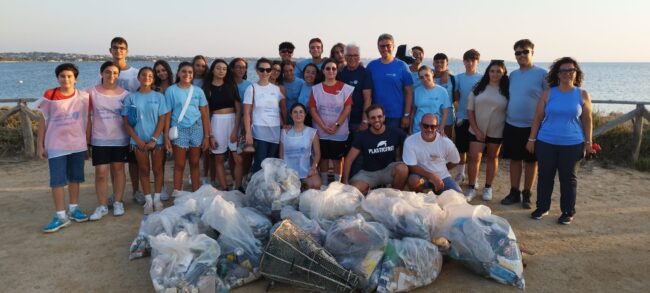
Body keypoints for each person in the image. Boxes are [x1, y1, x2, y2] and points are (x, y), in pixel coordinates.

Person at [527, 57, 594, 224]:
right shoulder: (548, 93)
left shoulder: (582, 94)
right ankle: (542, 208)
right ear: (557, 74)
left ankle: (567, 212)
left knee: (568, 179)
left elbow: (587, 120)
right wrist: (531, 139)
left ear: (576, 73)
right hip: (546, 142)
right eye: (563, 71)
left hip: (572, 144)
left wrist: (589, 143)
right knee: (545, 176)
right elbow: (537, 117)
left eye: (571, 70)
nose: (567, 74)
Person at [36, 63, 90, 232]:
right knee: (57, 181)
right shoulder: (50, 95)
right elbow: (42, 121)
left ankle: (74, 209)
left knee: (75, 178)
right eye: (62, 76)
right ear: (57, 78)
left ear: (75, 79)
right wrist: (40, 145)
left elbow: (88, 120)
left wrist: (87, 144)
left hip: (77, 144)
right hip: (55, 145)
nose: (66, 79)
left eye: (69, 76)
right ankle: (60, 216)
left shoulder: (83, 97)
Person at [500, 39, 549, 209]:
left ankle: (527, 194)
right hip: (512, 124)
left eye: (525, 51)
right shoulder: (513, 75)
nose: (521, 55)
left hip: (533, 125)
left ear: (532, 53)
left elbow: (549, 98)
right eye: (517, 53)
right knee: (514, 160)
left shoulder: (543, 74)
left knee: (531, 161)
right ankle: (514, 191)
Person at [122, 67, 169, 214]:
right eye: (144, 75)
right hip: (138, 142)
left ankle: (157, 199)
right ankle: (148, 200)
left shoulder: (159, 97)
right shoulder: (131, 98)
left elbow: (162, 119)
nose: (147, 77)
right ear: (139, 77)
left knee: (157, 169)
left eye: (150, 75)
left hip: (157, 141)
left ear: (153, 79)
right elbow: (127, 122)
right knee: (143, 170)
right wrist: (137, 139)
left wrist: (154, 138)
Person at [87, 61, 130, 220]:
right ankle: (102, 205)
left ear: (118, 75)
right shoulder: (91, 92)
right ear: (101, 74)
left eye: (114, 73)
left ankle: (118, 201)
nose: (111, 75)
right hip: (99, 138)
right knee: (101, 173)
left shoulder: (125, 94)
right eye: (107, 72)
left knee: (119, 170)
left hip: (120, 138)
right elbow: (80, 111)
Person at [465, 60, 509, 202]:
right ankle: (471, 187)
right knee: (474, 158)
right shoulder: (478, 89)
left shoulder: (507, 91)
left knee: (492, 158)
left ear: (503, 74)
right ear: (488, 72)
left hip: (497, 131)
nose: (495, 74)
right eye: (492, 71)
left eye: (498, 71)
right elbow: (470, 111)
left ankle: (488, 188)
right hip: (476, 130)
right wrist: (476, 130)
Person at [108, 36, 143, 204]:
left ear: (127, 51)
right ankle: (116, 194)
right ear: (110, 50)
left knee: (134, 161)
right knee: (114, 163)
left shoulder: (135, 74)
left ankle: (136, 191)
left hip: (132, 123)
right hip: (112, 124)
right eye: (115, 47)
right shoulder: (106, 72)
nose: (118, 51)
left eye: (122, 48)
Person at [342, 104, 408, 194]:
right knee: (354, 190)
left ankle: (394, 195)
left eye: (379, 116)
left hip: (387, 170)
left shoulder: (395, 132)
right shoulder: (362, 136)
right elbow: (349, 160)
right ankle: (371, 192)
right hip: (369, 173)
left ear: (384, 117)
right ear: (368, 120)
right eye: (373, 118)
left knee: (403, 169)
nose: (377, 120)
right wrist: (345, 181)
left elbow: (411, 141)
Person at [166, 62, 211, 193]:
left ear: (193, 75)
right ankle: (177, 192)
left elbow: (204, 114)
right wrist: (166, 136)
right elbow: (167, 114)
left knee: (195, 163)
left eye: (190, 72)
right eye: (184, 71)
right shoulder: (171, 90)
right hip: (179, 129)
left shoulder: (198, 91)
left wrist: (207, 136)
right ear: (178, 73)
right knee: (179, 164)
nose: (187, 74)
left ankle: (196, 192)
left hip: (197, 128)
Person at [309, 59, 353, 184]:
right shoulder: (316, 89)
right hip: (321, 131)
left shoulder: (345, 88)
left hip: (339, 131)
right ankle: (323, 185)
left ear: (336, 71)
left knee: (336, 159)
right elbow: (312, 109)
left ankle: (336, 186)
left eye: (333, 68)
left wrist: (337, 125)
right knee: (322, 158)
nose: (331, 71)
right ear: (323, 71)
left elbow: (347, 108)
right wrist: (322, 126)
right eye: (327, 68)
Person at [203, 59, 242, 191]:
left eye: (224, 69)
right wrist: (210, 135)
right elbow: (206, 113)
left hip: (232, 121)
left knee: (238, 158)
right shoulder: (206, 88)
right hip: (216, 123)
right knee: (219, 158)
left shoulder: (231, 85)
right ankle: (225, 188)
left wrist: (235, 129)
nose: (221, 71)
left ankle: (237, 187)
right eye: (218, 68)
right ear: (213, 70)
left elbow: (239, 109)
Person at [244, 58, 287, 173]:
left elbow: (280, 110)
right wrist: (248, 133)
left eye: (268, 70)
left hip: (275, 131)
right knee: (260, 163)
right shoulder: (252, 88)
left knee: (271, 163)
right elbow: (247, 113)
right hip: (259, 131)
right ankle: (255, 188)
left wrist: (285, 125)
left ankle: (267, 189)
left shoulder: (277, 89)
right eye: (262, 70)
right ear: (257, 71)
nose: (265, 73)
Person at [338, 44, 373, 177]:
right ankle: (342, 180)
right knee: (342, 153)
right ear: (345, 57)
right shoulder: (340, 72)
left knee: (358, 154)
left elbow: (367, 99)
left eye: (355, 55)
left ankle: (354, 181)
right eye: (349, 55)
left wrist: (365, 121)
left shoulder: (365, 73)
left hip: (358, 121)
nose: (352, 58)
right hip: (342, 121)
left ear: (359, 57)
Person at [403, 113, 461, 194]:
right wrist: (432, 176)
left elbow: (456, 161)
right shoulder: (410, 141)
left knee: (458, 196)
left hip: (442, 177)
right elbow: (412, 167)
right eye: (425, 126)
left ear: (437, 127)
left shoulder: (446, 142)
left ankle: (438, 192)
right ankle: (421, 199)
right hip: (422, 177)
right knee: (414, 181)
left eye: (433, 126)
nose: (429, 129)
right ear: (420, 125)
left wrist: (442, 169)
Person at [367, 33, 413, 130]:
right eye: (382, 46)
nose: (385, 49)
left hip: (396, 116)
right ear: (378, 47)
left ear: (393, 46)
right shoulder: (371, 66)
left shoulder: (402, 66)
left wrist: (406, 115)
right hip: (376, 116)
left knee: (396, 144)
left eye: (388, 45)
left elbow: (409, 92)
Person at [453, 49, 482, 183]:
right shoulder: (459, 77)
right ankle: (460, 174)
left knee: (475, 153)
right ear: (464, 61)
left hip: (478, 119)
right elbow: (456, 96)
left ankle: (474, 178)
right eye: (467, 60)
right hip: (462, 118)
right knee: (461, 148)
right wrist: (458, 114)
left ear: (478, 62)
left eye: (473, 60)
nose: (470, 63)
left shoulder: (482, 78)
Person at [279, 103, 322, 189]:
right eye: (295, 112)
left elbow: (317, 154)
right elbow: (281, 155)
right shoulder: (284, 132)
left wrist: (313, 168)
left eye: (301, 112)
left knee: (315, 184)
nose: (298, 115)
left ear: (305, 114)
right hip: (289, 170)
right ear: (291, 115)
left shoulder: (312, 132)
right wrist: (283, 171)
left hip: (306, 169)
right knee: (288, 189)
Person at [230, 58, 253, 190]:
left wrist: (247, 126)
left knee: (246, 152)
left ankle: (243, 178)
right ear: (232, 68)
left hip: (245, 121)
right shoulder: (227, 84)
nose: (241, 69)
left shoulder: (249, 85)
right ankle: (235, 180)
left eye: (243, 67)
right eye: (238, 67)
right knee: (232, 153)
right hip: (229, 121)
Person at [410, 66, 449, 134]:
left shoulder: (443, 91)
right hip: (417, 130)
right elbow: (413, 112)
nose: (425, 79)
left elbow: (445, 114)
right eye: (421, 77)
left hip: (433, 130)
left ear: (432, 74)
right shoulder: (416, 91)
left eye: (427, 75)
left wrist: (441, 129)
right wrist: (410, 130)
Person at [432, 53, 456, 137]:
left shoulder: (452, 78)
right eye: (437, 62)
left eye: (442, 62)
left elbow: (456, 98)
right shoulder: (429, 77)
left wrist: (447, 72)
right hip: (432, 114)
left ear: (447, 64)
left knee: (447, 140)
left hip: (448, 115)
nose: (439, 64)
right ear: (433, 63)